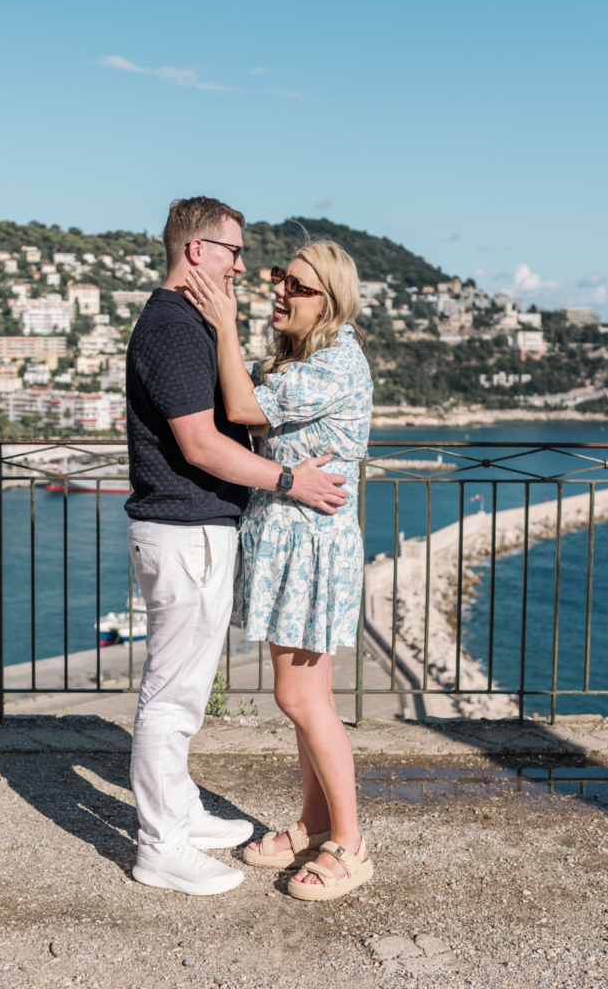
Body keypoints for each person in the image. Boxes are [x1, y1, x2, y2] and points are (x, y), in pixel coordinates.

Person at [124, 198, 351, 897]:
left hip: (210, 531)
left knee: (192, 693)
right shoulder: (176, 327)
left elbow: (241, 405)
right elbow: (203, 441)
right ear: (198, 251)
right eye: (235, 252)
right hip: (186, 530)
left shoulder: (191, 326)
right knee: (172, 698)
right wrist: (289, 479)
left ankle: (186, 814)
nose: (246, 268)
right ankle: (160, 845)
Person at [181, 238, 375, 901]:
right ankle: (316, 823)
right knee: (304, 701)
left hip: (310, 549)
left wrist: (224, 322)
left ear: (329, 301)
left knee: (300, 698)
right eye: (279, 279)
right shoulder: (306, 360)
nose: (280, 292)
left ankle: (350, 845)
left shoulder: (335, 364)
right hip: (291, 545)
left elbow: (241, 410)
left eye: (297, 285)